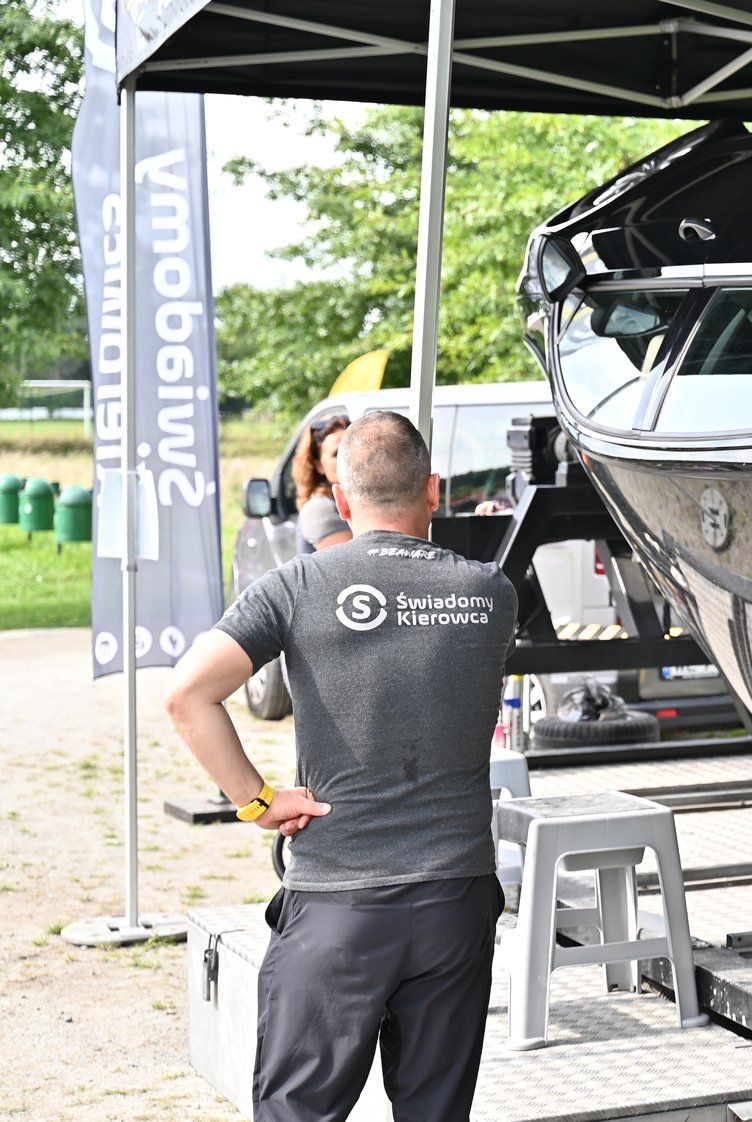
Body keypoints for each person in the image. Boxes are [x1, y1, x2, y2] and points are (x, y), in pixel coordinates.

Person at [164, 410, 517, 1121]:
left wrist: (259, 802)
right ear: (434, 490)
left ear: (343, 499)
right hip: (455, 899)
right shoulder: (491, 592)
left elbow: (187, 695)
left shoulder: (297, 586)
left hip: (338, 902)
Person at [292, 414, 352, 552]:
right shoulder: (319, 509)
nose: (348, 457)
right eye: (337, 453)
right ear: (318, 465)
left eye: (353, 449)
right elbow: (354, 561)